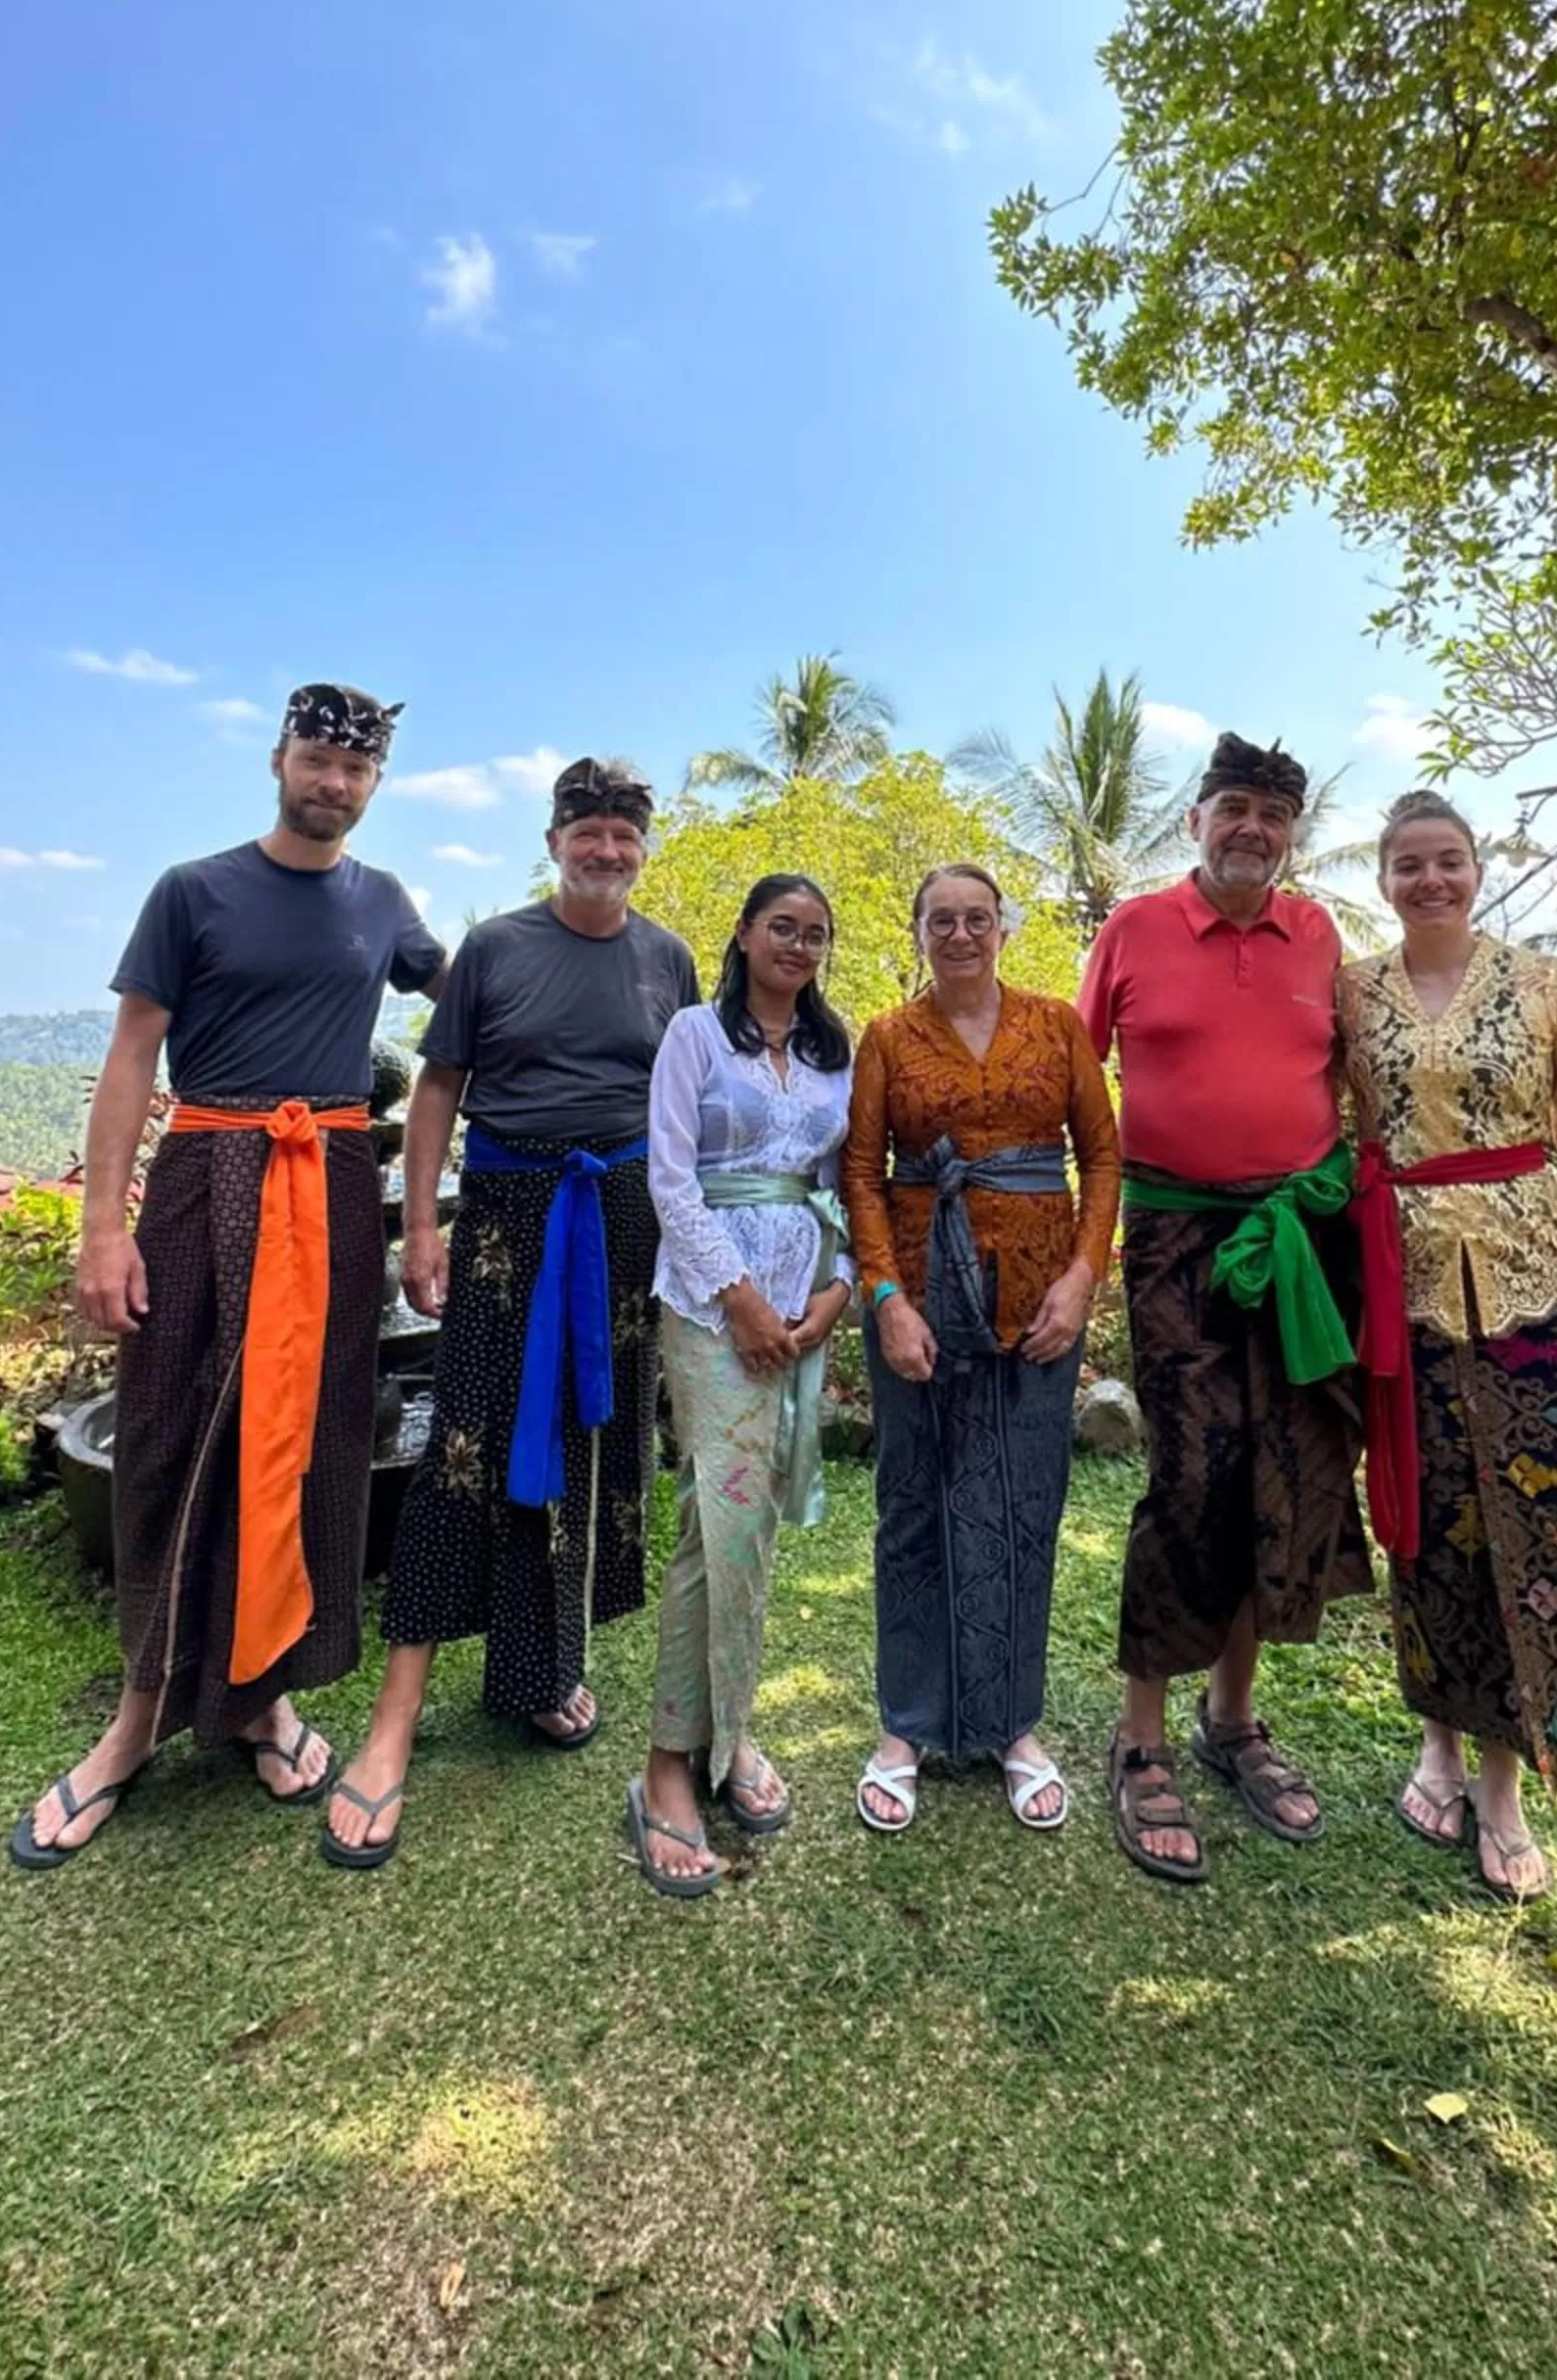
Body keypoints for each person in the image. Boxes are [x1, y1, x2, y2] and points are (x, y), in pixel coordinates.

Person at [9, 683, 445, 1869]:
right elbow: (130, 1057)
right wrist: (103, 1231)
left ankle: (266, 1696)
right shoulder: (192, 891)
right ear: (279, 760)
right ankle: (135, 1720)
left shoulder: (384, 903)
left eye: (356, 770)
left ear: (375, 783)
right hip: (206, 1179)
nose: (334, 783)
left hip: (335, 1187)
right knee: (168, 1435)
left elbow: (470, 1004)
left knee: (306, 1440)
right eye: (316, 760)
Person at [323, 759, 699, 1868]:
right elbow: (437, 1089)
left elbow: (684, 1101)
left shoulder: (668, 958)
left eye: (625, 835)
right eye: (588, 831)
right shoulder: (493, 949)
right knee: (466, 1448)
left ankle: (540, 1669)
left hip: (623, 1219)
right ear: (554, 841)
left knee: (588, 1446)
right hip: (507, 1217)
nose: (607, 850)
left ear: (642, 848)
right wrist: (421, 1227)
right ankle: (393, 1723)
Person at [1341, 790, 1557, 1900]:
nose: (1429, 880)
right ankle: (1437, 1745)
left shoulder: (1545, 986)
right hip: (1404, 1286)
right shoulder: (1352, 992)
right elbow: (1333, 1128)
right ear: (1383, 880)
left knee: (1535, 1523)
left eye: (1448, 860)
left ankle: (1505, 1777)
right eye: (1408, 864)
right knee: (1426, 1518)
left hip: (1537, 1281)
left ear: (1477, 870)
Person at [1078, 732, 1369, 1887]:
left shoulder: (1319, 937)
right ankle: (1140, 1735)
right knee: (1192, 1475)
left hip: (1299, 1242)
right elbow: (1076, 1086)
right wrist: (1073, 1243)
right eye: (1235, 806)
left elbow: (1359, 1085)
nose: (1254, 828)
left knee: (1286, 1474)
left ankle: (1232, 1718)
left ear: (1292, 834)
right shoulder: (1134, 929)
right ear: (1196, 820)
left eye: (1275, 814)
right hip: (1174, 1240)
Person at [843, 863, 1120, 1838]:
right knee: (913, 1502)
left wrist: (1082, 1278)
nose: (960, 935)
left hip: (1040, 1299)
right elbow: (861, 1172)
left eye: (977, 918)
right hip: (919, 1295)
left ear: (1003, 927)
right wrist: (885, 1298)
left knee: (1022, 1504)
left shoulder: (1057, 1024)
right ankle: (906, 1727)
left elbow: (1102, 1155)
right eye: (941, 921)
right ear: (918, 930)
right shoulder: (888, 1036)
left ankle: (1013, 1724)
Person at [624, 875, 856, 1896]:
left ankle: (724, 1735)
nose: (798, 946)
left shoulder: (833, 1053)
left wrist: (835, 1293)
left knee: (731, 1523)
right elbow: (670, 1179)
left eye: (815, 934)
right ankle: (671, 1765)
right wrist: (742, 1299)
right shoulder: (694, 1036)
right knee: (728, 1521)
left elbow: (844, 1182)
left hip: (804, 1305)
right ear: (745, 934)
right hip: (712, 1307)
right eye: (781, 928)